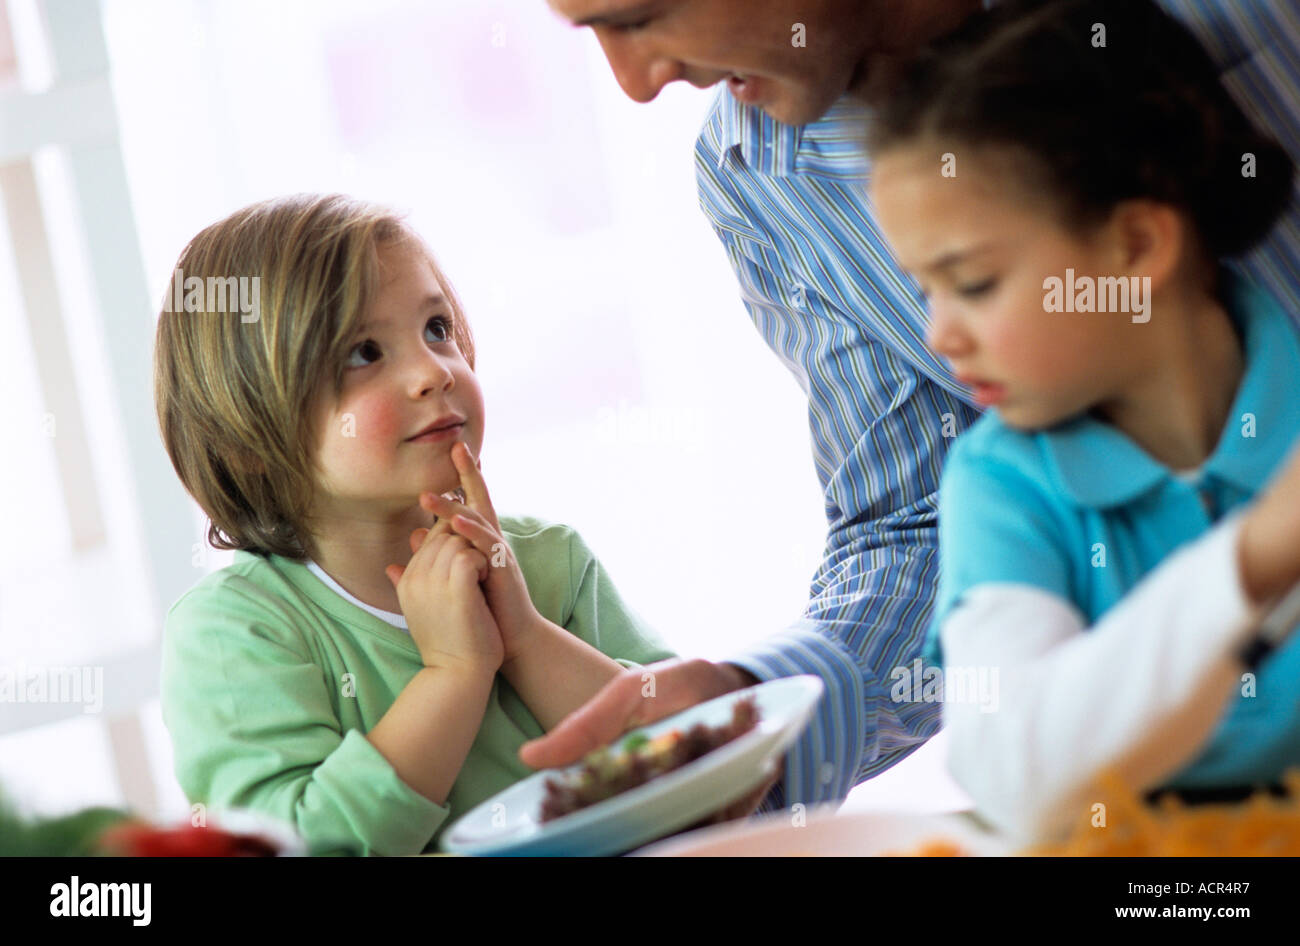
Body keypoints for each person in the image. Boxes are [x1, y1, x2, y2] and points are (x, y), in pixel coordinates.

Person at [527, 0, 1300, 817]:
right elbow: (916, 528)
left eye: (641, 16)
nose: (635, 84)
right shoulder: (756, 176)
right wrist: (756, 704)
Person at [864, 0, 1300, 842]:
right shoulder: (1000, 484)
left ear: (1135, 247)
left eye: (975, 283)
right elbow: (1014, 773)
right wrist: (1251, 560)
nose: (938, 335)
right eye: (928, 289)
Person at [153, 194, 675, 856]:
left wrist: (524, 637)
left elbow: (694, 754)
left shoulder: (549, 562)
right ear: (247, 442)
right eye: (363, 352)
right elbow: (298, 847)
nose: (434, 371)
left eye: (437, 328)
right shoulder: (235, 634)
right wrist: (455, 673)